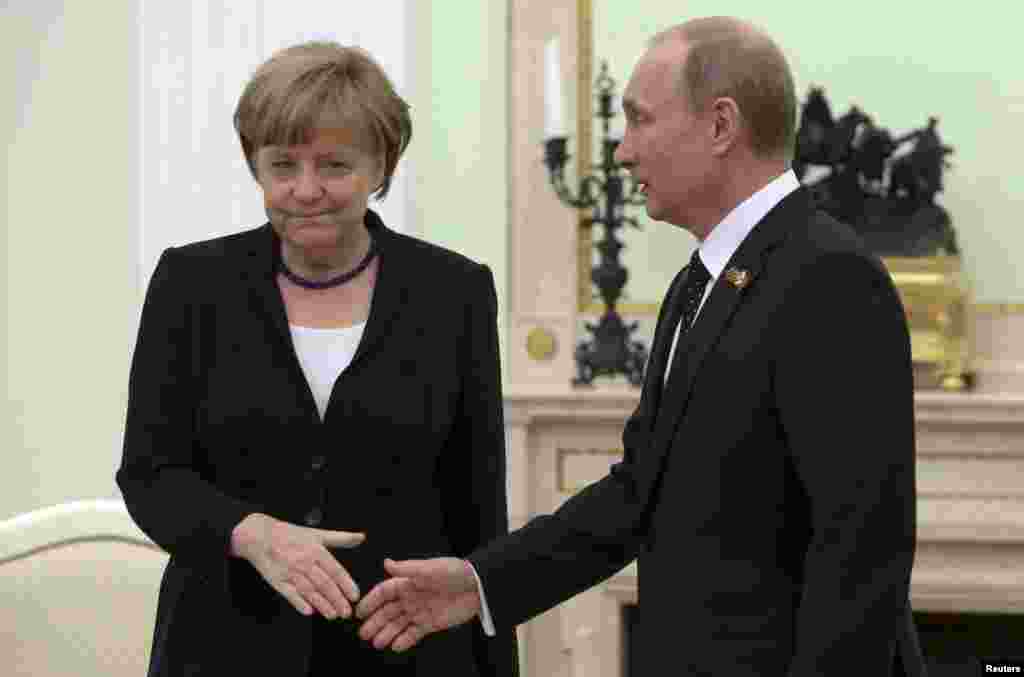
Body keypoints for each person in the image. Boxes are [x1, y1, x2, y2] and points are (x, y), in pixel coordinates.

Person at [354, 17, 927, 677]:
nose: (622, 152)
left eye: (640, 120)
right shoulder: (700, 282)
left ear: (719, 126)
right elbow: (636, 494)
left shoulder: (828, 276)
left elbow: (860, 547)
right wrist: (481, 582)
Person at [116, 41, 518, 677]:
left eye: (333, 164)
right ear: (255, 166)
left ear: (381, 165)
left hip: (404, 648)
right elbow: (150, 476)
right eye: (282, 165)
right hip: (224, 645)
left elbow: (477, 506)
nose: (306, 191)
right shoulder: (191, 284)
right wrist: (252, 533)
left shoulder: (455, 291)